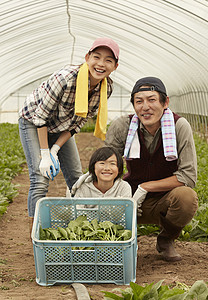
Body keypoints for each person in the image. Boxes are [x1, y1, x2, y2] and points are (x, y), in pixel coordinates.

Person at [18, 37, 119, 223]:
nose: (101, 64)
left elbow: (77, 125)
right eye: (96, 57)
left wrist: (55, 148)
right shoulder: (64, 79)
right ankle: (35, 234)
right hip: (33, 121)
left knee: (76, 178)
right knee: (40, 180)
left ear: (115, 66)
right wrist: (45, 154)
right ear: (87, 57)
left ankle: (83, 227)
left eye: (108, 60)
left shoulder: (106, 88)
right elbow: (40, 118)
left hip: (62, 127)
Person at [105, 76, 198, 262]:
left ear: (165, 102)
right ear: (133, 105)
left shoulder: (179, 126)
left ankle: (166, 239)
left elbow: (188, 176)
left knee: (187, 197)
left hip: (164, 199)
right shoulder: (122, 126)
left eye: (152, 100)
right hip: (128, 196)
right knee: (104, 198)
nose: (145, 107)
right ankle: (116, 240)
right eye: (139, 101)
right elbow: (107, 167)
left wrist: (146, 187)